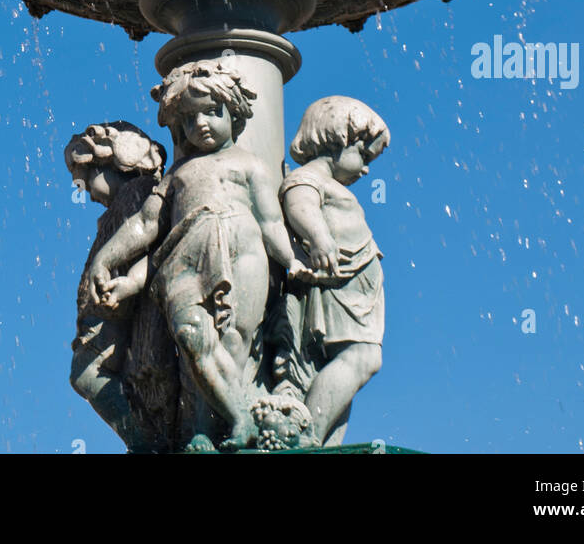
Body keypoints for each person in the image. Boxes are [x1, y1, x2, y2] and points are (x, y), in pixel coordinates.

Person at [89, 60, 304, 450]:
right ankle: (239, 415)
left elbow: (272, 224)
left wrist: (293, 263)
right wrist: (107, 260)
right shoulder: (180, 174)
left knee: (235, 341)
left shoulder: (249, 165)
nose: (201, 123)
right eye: (189, 118)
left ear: (234, 112)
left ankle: (209, 428)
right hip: (182, 257)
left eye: (211, 111)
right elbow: (146, 224)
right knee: (191, 337)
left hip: (243, 252)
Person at [276, 95, 390, 446]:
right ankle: (307, 435)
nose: (367, 169)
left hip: (354, 286)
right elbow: (300, 204)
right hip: (340, 286)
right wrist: (320, 237)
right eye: (364, 155)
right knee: (362, 357)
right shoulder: (309, 179)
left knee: (353, 363)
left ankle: (326, 442)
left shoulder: (329, 184)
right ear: (338, 138)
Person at [66, 121, 175, 451]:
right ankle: (145, 439)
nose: (80, 187)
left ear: (112, 163)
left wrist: (129, 282)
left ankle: (145, 442)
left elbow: (145, 244)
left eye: (85, 176)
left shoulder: (136, 193)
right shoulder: (126, 201)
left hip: (115, 308)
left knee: (85, 375)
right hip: (108, 308)